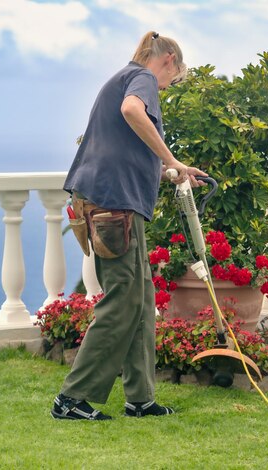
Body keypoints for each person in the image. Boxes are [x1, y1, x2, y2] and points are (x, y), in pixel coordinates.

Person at [51, 31, 206, 421]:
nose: (169, 86)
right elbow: (132, 112)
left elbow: (123, 149)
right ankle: (71, 399)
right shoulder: (143, 78)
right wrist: (172, 159)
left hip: (112, 202)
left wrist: (173, 172)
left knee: (140, 299)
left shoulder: (125, 77)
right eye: (176, 76)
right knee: (123, 299)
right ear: (169, 58)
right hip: (112, 205)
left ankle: (140, 398)